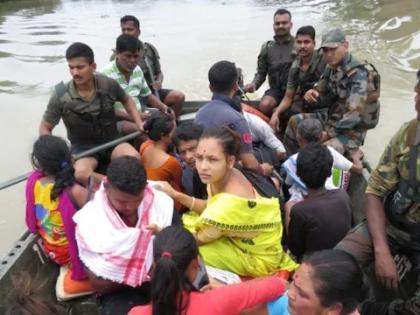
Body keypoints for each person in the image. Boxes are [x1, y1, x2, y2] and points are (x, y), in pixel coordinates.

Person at [159, 127, 298, 277]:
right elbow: (209, 206)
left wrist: (161, 233)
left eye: (212, 159)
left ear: (230, 161)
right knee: (187, 220)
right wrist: (174, 194)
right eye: (199, 158)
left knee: (185, 253)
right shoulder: (225, 174)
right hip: (240, 236)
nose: (203, 167)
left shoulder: (227, 204)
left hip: (258, 258)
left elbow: (195, 241)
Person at [336, 71, 420, 315]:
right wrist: (382, 251)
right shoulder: (409, 133)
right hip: (390, 227)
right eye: (417, 91)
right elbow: (373, 191)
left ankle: (368, 309)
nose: (416, 98)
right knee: (336, 263)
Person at [74, 156, 175, 315]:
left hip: (162, 278)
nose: (130, 207)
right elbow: (98, 283)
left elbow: (178, 242)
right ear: (106, 188)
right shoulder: (90, 222)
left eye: (137, 199)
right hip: (118, 293)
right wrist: (145, 273)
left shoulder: (161, 205)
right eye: (122, 201)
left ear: (145, 188)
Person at [39, 42, 142, 185]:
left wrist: (138, 122)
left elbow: (126, 99)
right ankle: (114, 185)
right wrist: (55, 155)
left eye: (80, 67)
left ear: (93, 67)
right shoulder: (60, 95)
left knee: (134, 158)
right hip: (83, 149)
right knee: (81, 174)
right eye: (71, 67)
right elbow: (45, 128)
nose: (75, 72)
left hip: (112, 141)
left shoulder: (107, 84)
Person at [128, 225, 288, 315]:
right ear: (195, 263)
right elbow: (278, 284)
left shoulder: (136, 313)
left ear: (155, 265)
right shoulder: (218, 300)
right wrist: (226, 289)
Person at [284, 28, 380, 156]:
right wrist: (313, 92)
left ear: (345, 46)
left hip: (351, 131)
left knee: (320, 153)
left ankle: (308, 164)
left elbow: (353, 115)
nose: (328, 54)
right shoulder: (332, 67)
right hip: (331, 118)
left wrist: (328, 134)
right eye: (325, 50)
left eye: (333, 49)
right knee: (295, 121)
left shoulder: (359, 74)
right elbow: (321, 85)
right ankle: (292, 160)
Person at [25, 135, 92, 298]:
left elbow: (31, 222)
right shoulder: (76, 191)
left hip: (52, 250)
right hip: (71, 254)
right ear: (69, 157)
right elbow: (101, 219)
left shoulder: (34, 182)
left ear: (39, 163)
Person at [195, 60, 274, 177]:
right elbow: (249, 164)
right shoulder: (237, 119)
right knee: (270, 158)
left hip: (203, 170)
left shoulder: (199, 114)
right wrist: (264, 170)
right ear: (235, 86)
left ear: (210, 87)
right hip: (225, 174)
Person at [282, 118, 363, 215]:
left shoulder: (293, 160)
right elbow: (358, 170)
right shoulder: (330, 152)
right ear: (321, 136)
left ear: (299, 139)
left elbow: (288, 184)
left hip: (304, 202)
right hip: (330, 197)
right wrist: (356, 158)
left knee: (288, 205)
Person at [287, 143, 352, 261]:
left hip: (313, 263)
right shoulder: (343, 195)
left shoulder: (299, 210)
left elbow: (295, 249)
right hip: (339, 258)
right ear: (329, 173)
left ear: (298, 175)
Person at [101, 34, 170, 134]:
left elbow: (148, 96)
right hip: (117, 122)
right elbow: (107, 111)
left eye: (136, 56)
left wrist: (164, 108)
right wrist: (136, 117)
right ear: (117, 53)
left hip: (139, 115)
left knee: (168, 122)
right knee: (140, 131)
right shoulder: (105, 75)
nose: (132, 61)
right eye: (128, 56)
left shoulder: (137, 70)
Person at [119, 15, 185, 116]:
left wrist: (159, 81)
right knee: (153, 114)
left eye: (130, 29)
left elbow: (159, 72)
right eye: (123, 30)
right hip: (134, 95)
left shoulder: (149, 50)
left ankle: (172, 123)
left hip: (152, 91)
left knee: (178, 96)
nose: (126, 33)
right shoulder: (119, 55)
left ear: (138, 32)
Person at [266, 249, 364, 315]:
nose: (289, 293)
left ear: (334, 309)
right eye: (293, 281)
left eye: (301, 294)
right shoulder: (286, 302)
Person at [269, 25, 327, 134]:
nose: (302, 46)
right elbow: (288, 96)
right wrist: (276, 113)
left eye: (306, 42)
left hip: (326, 106)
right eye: (299, 42)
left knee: (295, 120)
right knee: (279, 112)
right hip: (308, 104)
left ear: (314, 43)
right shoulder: (295, 66)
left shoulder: (324, 59)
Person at [244, 9, 295, 116]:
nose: (281, 26)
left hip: (296, 90)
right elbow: (261, 73)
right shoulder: (267, 48)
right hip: (276, 90)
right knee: (264, 105)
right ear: (273, 26)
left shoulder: (299, 44)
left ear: (290, 25)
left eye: (284, 23)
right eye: (277, 23)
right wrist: (253, 85)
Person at [140, 111, 183, 210]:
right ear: (163, 135)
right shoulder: (171, 162)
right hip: (164, 202)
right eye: (174, 131)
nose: (176, 133)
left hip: (148, 195)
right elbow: (180, 184)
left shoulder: (145, 145)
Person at [173, 122, 207, 199]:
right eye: (183, 152)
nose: (188, 157)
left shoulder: (224, 169)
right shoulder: (196, 173)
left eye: (192, 149)